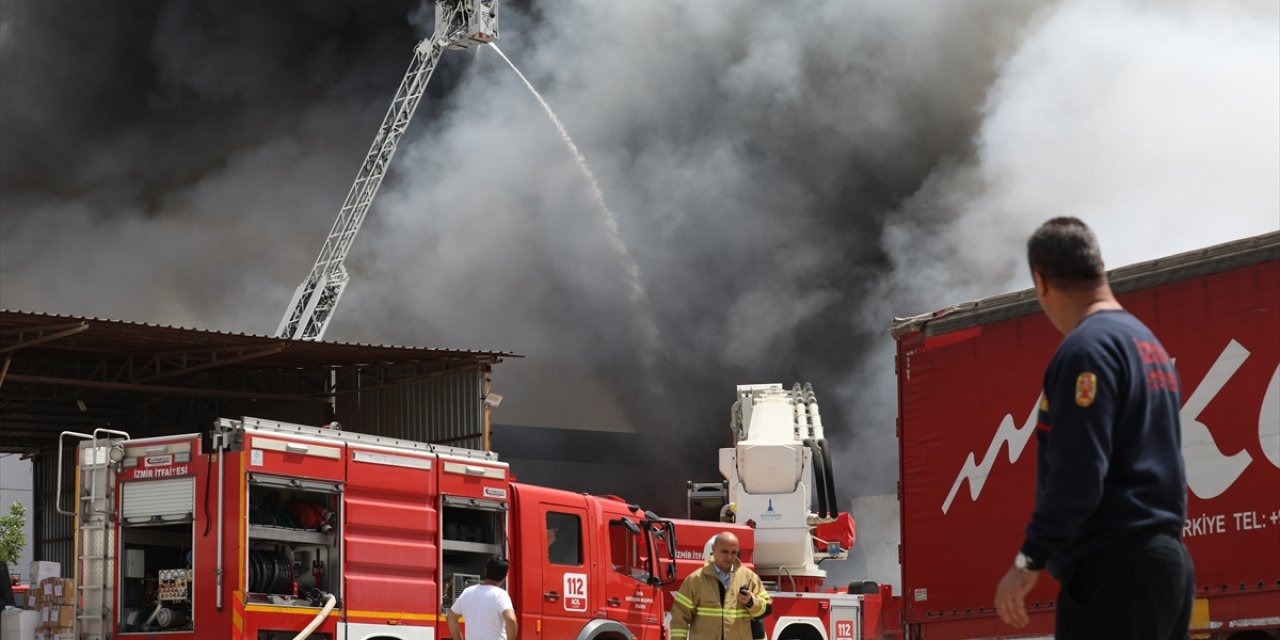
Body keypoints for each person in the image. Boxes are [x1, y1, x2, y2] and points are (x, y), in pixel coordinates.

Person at [994, 217, 1195, 639]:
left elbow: (1078, 474)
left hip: (1114, 568)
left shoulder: (1086, 351)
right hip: (1168, 566)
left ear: (1040, 281)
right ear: (1100, 265)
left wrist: (1027, 561)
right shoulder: (1147, 344)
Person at [670, 531, 770, 640]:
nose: (729, 557)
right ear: (713, 550)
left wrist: (751, 601)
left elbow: (766, 609)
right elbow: (679, 618)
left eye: (733, 552)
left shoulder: (750, 578)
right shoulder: (696, 580)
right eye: (725, 552)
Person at [447, 555, 518, 640]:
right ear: (506, 575)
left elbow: (450, 617)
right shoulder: (500, 595)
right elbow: (511, 619)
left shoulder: (467, 592)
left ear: (486, 570)